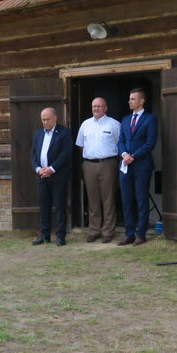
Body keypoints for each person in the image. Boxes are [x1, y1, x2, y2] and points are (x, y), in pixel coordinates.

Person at [76, 97, 121, 243]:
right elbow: (81, 145)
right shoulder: (85, 124)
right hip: (89, 164)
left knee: (108, 199)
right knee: (92, 198)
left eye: (99, 106)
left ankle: (108, 231)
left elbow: (120, 143)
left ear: (106, 108)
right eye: (94, 106)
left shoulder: (114, 124)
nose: (96, 109)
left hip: (108, 164)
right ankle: (94, 230)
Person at [118, 89, 158, 246]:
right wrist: (124, 155)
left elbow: (150, 142)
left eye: (133, 99)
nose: (129, 101)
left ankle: (141, 233)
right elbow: (121, 141)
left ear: (142, 101)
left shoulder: (150, 119)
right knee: (126, 200)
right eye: (129, 99)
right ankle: (129, 233)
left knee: (141, 199)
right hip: (125, 165)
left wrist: (133, 156)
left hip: (142, 165)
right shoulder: (125, 119)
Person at [30, 107, 72, 246]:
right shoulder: (38, 134)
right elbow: (33, 154)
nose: (45, 122)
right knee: (44, 206)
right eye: (43, 120)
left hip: (58, 176)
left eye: (48, 119)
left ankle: (60, 236)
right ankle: (45, 235)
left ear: (55, 118)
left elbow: (66, 153)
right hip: (42, 176)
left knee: (60, 206)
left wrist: (52, 169)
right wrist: (38, 169)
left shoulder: (64, 133)